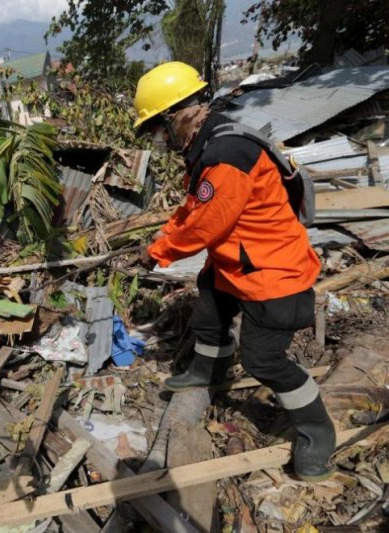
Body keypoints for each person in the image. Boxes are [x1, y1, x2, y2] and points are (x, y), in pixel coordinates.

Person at [133, 62, 334, 482]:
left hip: (272, 273)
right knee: (209, 306)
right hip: (239, 261)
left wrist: (157, 252)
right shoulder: (209, 145)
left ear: (178, 115)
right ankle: (209, 373)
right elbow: (192, 210)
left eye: (156, 128)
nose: (158, 139)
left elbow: (209, 226)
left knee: (265, 360)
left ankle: (317, 434)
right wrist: (158, 242)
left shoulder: (226, 154)